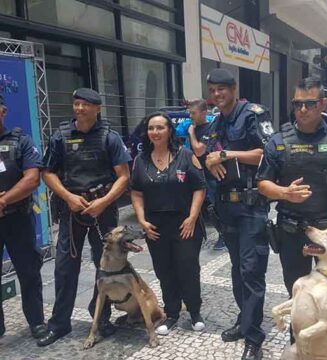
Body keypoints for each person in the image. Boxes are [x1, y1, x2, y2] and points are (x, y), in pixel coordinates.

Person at [256, 77, 327, 360]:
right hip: (291, 230)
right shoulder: (279, 140)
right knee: (298, 296)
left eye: (309, 104)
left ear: (323, 103)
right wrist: (284, 193)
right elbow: (262, 183)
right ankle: (302, 352)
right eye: (297, 104)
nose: (302, 109)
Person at [38, 88, 131, 346]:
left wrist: (103, 202)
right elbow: (47, 172)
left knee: (106, 266)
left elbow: (123, 176)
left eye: (85, 105)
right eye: (76, 104)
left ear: (97, 108)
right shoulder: (60, 136)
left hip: (103, 209)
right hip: (72, 210)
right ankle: (59, 323)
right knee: (65, 268)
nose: (79, 109)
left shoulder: (109, 137)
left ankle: (100, 316)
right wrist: (68, 197)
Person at [205, 68, 274, 360]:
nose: (217, 95)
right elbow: (208, 155)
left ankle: (254, 338)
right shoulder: (216, 122)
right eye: (212, 90)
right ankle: (244, 321)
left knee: (251, 271)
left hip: (250, 207)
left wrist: (227, 155)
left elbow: (267, 152)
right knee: (236, 269)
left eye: (222, 89)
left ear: (233, 89)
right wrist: (210, 160)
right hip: (226, 208)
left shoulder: (253, 115)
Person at [131, 111, 206, 336]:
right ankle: (171, 312)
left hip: (185, 224)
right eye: (151, 128)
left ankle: (194, 312)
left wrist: (192, 217)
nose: (155, 132)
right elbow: (136, 193)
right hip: (156, 227)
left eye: (160, 128)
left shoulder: (185, 155)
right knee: (164, 270)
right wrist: (142, 220)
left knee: (187, 268)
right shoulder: (140, 160)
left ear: (169, 131)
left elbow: (199, 188)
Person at [0, 94, 46, 340]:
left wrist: (3, 200)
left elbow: (32, 179)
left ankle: (37, 322)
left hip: (17, 218)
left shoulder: (21, 142)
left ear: (3, 111)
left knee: (29, 272)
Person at [187, 98, 225, 250]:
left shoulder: (210, 128)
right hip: (196, 174)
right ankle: (198, 235)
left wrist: (190, 133)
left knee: (215, 208)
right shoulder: (194, 128)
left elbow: (199, 149)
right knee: (197, 208)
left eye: (193, 113)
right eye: (189, 113)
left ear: (203, 113)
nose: (190, 116)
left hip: (211, 176)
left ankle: (223, 236)